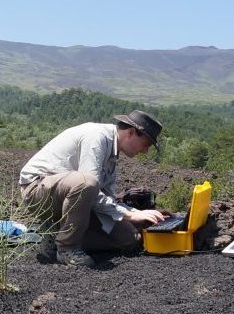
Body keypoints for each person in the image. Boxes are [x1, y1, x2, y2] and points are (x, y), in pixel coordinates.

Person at [19, 110, 167, 267]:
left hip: (73, 196)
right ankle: (67, 248)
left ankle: (56, 234)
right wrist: (129, 214)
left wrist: (137, 214)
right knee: (86, 182)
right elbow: (90, 187)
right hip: (37, 190)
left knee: (130, 239)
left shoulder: (112, 152)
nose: (145, 150)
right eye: (146, 144)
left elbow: (107, 197)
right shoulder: (96, 138)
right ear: (130, 133)